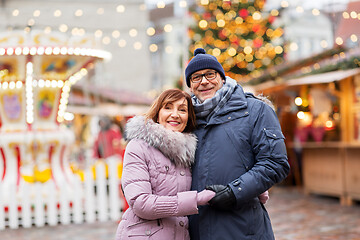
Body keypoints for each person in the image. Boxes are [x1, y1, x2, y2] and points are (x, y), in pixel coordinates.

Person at [185, 48, 290, 240]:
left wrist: (235, 192)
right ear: (190, 86)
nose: (204, 81)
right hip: (197, 229)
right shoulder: (186, 119)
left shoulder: (256, 110)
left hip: (243, 227)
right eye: (196, 77)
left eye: (210, 74)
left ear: (222, 78)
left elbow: (275, 162)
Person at [115, 89, 216, 240]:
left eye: (182, 110)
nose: (175, 114)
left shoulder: (189, 152)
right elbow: (140, 202)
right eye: (168, 107)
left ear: (188, 117)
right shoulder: (138, 146)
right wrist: (196, 199)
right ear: (157, 112)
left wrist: (250, 190)